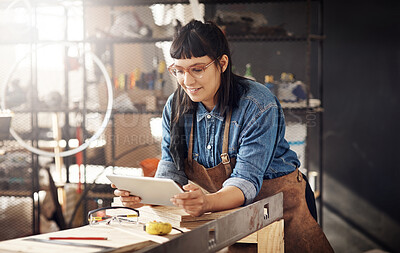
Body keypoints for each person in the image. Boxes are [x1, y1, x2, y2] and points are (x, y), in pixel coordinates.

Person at [113, 20, 333, 252]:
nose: (187, 81)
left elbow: (245, 181)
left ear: (222, 63)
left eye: (197, 69)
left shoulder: (257, 105)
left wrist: (206, 202)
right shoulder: (176, 106)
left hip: (282, 210)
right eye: (178, 70)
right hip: (232, 215)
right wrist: (144, 196)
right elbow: (171, 174)